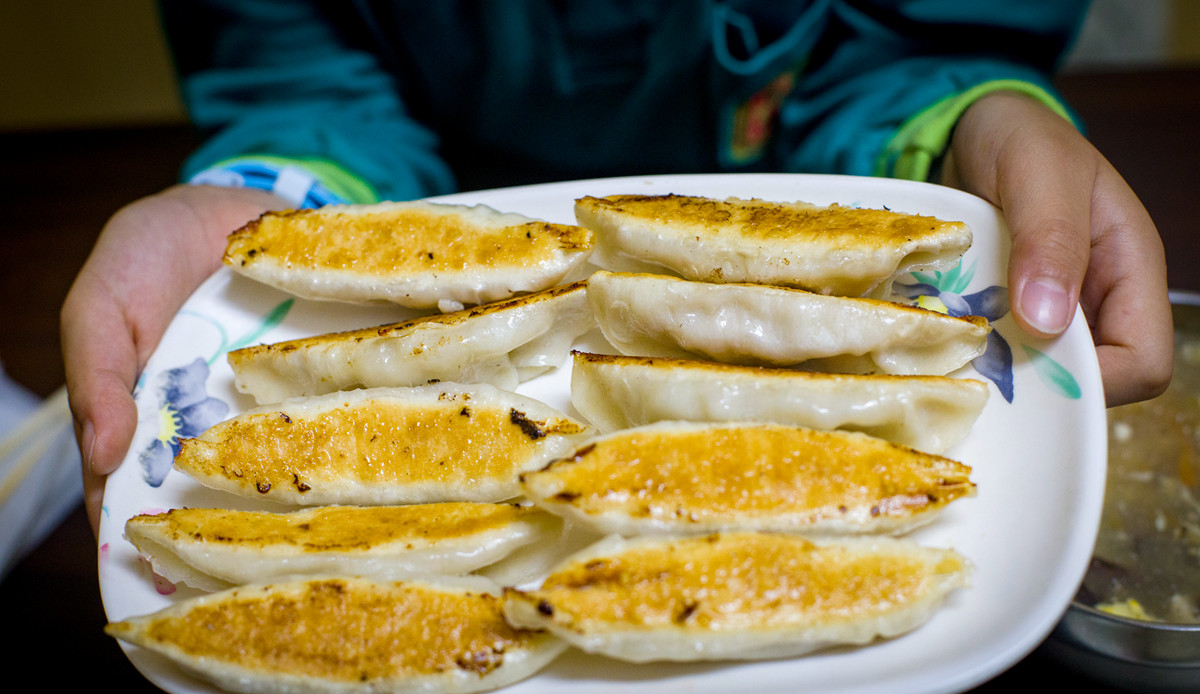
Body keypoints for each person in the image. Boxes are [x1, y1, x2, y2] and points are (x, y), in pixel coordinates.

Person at [61, 1, 1172, 533]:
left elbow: (909, 38)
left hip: (825, 244)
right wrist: (269, 201)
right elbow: (299, 55)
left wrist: (974, 120)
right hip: (440, 217)